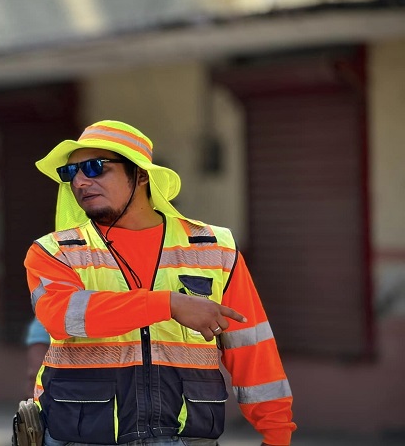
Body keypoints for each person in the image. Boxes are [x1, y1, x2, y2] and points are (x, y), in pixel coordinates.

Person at [25, 120, 295, 446]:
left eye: (95, 167)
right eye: (71, 173)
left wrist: (277, 433)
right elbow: (64, 317)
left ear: (140, 175)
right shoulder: (54, 251)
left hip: (185, 435)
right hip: (81, 436)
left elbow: (252, 346)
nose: (80, 181)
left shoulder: (213, 248)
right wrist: (170, 303)